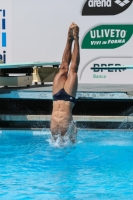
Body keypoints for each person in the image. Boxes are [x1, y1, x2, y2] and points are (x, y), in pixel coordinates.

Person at [50, 22, 80, 142]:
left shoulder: (55, 138)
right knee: (72, 69)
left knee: (63, 67)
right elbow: (74, 138)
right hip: (68, 98)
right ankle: (75, 39)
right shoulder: (68, 135)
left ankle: (70, 39)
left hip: (57, 97)